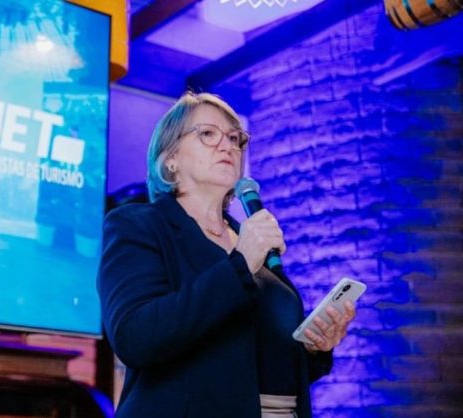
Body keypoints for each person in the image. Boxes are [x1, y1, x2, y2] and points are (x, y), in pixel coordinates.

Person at [97, 92, 356, 417]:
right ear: (170, 158)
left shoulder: (249, 238)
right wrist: (240, 264)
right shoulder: (139, 226)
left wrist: (314, 347)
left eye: (235, 138)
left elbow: (250, 358)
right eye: (208, 134)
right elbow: (135, 337)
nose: (228, 146)